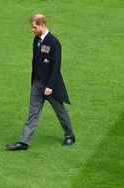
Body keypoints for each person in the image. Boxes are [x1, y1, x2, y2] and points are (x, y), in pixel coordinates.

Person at [6, 13, 75, 150]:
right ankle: (24, 142)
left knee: (60, 111)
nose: (33, 30)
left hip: (50, 86)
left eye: (34, 27)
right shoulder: (36, 40)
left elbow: (56, 66)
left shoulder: (54, 42)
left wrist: (50, 86)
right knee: (33, 113)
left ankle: (70, 136)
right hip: (37, 84)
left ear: (42, 25)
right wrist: (35, 82)